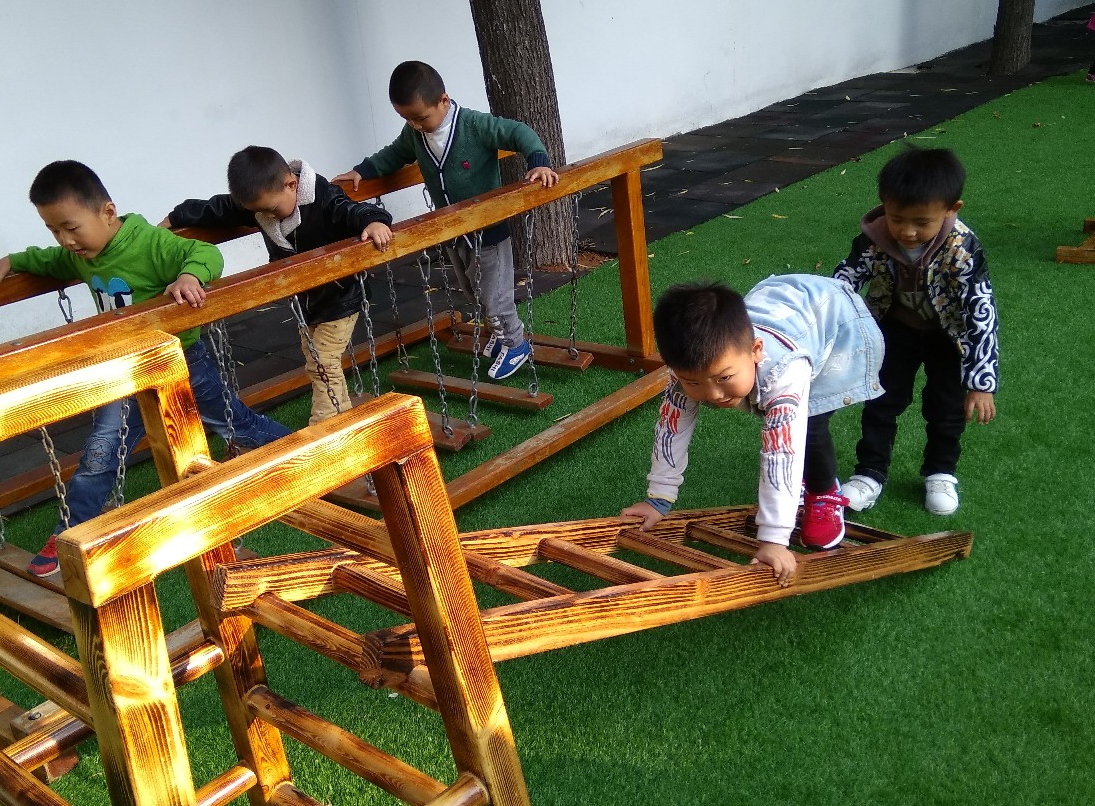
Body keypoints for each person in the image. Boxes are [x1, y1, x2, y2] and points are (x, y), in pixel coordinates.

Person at [0, 159, 291, 578]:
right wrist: (12, 261)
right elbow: (48, 260)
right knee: (101, 452)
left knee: (231, 420)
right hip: (125, 372)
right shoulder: (82, 254)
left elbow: (204, 253)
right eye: (54, 230)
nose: (65, 240)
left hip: (182, 359)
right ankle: (73, 528)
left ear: (107, 212)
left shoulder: (148, 243)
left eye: (70, 227)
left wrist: (189, 277)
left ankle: (299, 453)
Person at [621, 275, 884, 585]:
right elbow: (671, 428)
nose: (713, 394)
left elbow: (782, 451)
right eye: (694, 382)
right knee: (777, 418)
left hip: (833, 322)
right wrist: (658, 499)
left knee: (809, 424)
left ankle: (824, 491)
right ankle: (795, 487)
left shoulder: (786, 372)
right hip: (785, 309)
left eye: (724, 378)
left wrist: (774, 539)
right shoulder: (687, 369)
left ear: (756, 350)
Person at [336, 60, 558, 382]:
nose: (415, 125)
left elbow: (518, 132)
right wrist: (362, 170)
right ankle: (499, 334)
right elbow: (394, 154)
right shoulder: (415, 134)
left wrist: (538, 162)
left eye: (420, 117)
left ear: (443, 100)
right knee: (472, 289)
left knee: (494, 294)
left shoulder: (474, 125)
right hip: (453, 230)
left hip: (488, 229)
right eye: (407, 119)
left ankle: (515, 343)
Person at [167, 146, 393, 423]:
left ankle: (325, 423)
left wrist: (374, 222)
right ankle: (341, 413)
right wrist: (177, 216)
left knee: (323, 361)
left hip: (340, 295)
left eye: (272, 209)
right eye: (260, 212)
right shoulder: (264, 202)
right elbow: (218, 208)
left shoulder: (323, 197)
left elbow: (352, 211)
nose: (269, 216)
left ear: (292, 185)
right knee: (316, 359)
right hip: (305, 302)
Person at [833, 146, 997, 517]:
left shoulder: (963, 249)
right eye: (897, 218)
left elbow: (981, 313)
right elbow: (843, 282)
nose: (907, 231)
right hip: (895, 330)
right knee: (881, 401)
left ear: (952, 209)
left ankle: (941, 473)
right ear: (884, 205)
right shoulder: (873, 240)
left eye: (922, 222)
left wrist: (981, 382)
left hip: (947, 336)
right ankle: (869, 473)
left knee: (947, 408)